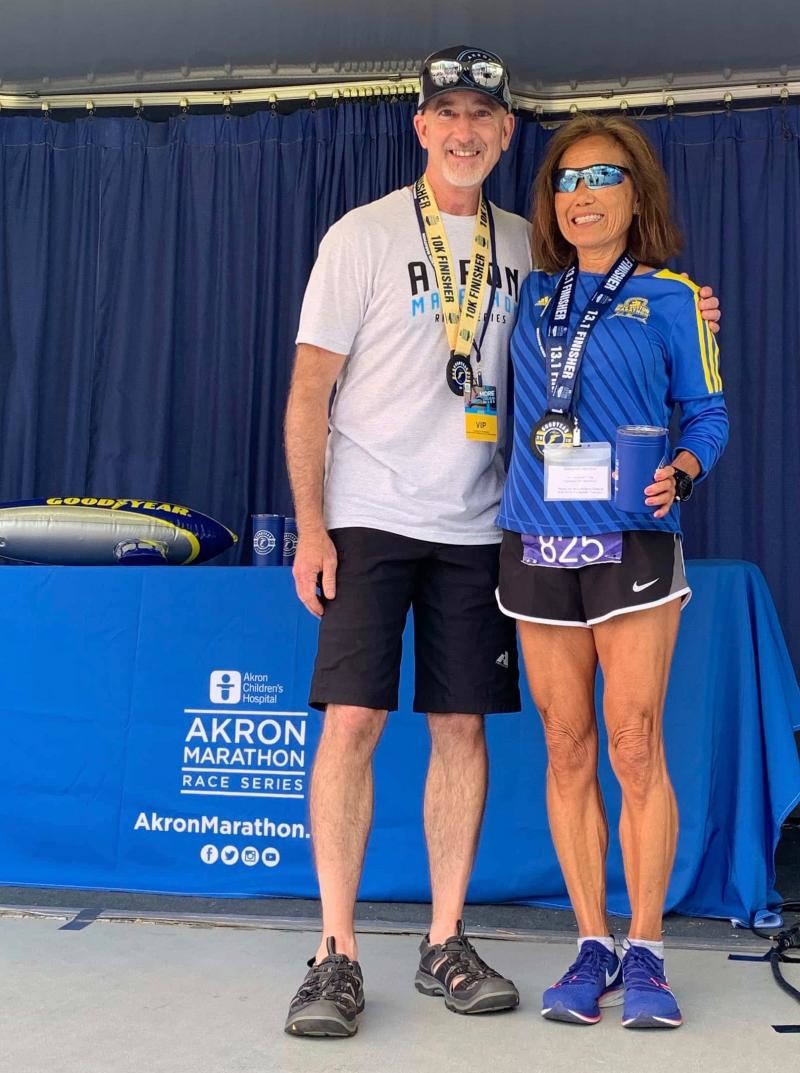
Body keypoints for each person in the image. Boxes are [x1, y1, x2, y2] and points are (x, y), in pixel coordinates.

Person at [283, 47, 721, 1039]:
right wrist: (309, 525)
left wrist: (686, 311)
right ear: (420, 126)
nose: (464, 129)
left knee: (461, 729)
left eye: (482, 115)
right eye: (447, 113)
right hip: (368, 513)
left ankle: (445, 937)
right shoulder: (360, 235)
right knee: (352, 721)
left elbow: (622, 321)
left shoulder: (532, 247)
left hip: (486, 524)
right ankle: (334, 950)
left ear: (505, 133)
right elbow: (309, 390)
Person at [496, 114, 729, 1030]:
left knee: (633, 744)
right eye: (566, 180)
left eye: (602, 177)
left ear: (639, 195)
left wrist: (683, 470)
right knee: (565, 744)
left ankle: (648, 949)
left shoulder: (674, 298)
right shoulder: (527, 295)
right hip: (535, 539)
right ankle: (591, 940)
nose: (581, 195)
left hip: (632, 538)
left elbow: (707, 415)